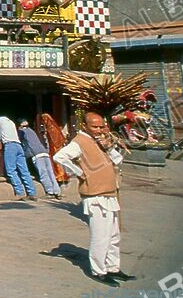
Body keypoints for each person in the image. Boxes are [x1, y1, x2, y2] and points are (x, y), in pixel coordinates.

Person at [54, 113, 135, 287]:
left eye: (101, 126)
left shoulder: (99, 140)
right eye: (94, 127)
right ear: (85, 126)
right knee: (101, 235)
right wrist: (79, 172)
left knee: (114, 234)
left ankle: (113, 267)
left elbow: (118, 160)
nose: (98, 130)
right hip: (95, 195)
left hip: (110, 192)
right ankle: (98, 270)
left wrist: (107, 146)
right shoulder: (79, 142)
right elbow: (59, 157)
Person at [0, 115, 37, 201]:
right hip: (18, 145)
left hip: (10, 146)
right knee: (24, 170)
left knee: (11, 170)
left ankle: (20, 192)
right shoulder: (11, 122)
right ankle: (32, 193)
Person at [18, 118, 61, 199]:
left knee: (43, 173)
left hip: (36, 154)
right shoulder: (32, 131)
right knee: (50, 173)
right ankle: (57, 192)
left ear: (20, 125)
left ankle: (50, 192)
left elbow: (20, 141)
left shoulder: (22, 131)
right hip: (44, 152)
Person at [38, 112, 71, 186]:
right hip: (55, 147)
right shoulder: (51, 127)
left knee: (58, 163)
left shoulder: (52, 127)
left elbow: (55, 140)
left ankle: (61, 177)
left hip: (56, 148)